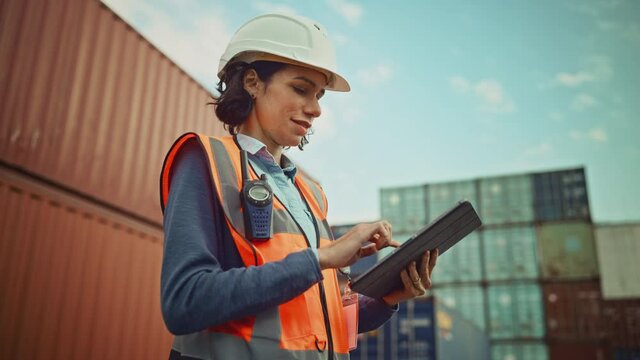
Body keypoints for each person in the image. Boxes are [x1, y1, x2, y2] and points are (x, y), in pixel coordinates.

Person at [159, 13, 438, 360]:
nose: (317, 109)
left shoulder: (311, 194)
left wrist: (387, 298)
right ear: (252, 82)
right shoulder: (207, 162)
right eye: (301, 89)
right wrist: (320, 259)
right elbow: (184, 302)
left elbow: (319, 326)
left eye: (319, 95)